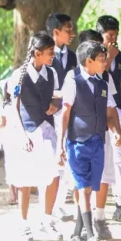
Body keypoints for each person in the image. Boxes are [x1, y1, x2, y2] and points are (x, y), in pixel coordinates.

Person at [58, 40, 121, 241]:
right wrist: (61, 144)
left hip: (98, 142)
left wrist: (116, 133)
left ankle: (76, 234)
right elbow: (65, 114)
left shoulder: (103, 84)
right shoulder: (73, 81)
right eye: (101, 59)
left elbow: (110, 114)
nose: (105, 63)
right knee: (83, 189)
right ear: (89, 61)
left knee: (88, 189)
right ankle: (90, 236)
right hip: (78, 142)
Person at [6, 32, 63, 241]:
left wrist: (55, 105)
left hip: (47, 130)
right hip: (27, 131)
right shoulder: (19, 75)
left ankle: (47, 220)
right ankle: (24, 223)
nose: (53, 56)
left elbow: (56, 97)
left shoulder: (51, 73)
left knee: (54, 175)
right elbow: (14, 108)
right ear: (37, 53)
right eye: (50, 52)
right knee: (25, 179)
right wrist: (22, 136)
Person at [96, 15, 121, 224]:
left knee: (119, 157)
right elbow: (101, 74)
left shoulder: (119, 56)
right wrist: (108, 56)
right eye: (108, 35)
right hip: (96, 112)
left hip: (116, 111)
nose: (112, 39)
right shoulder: (93, 54)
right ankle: (95, 206)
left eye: (115, 35)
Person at [46, 12, 77, 222]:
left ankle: (60, 204)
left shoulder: (73, 56)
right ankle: (51, 206)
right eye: (68, 30)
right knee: (55, 158)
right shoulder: (46, 55)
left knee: (67, 157)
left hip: (70, 112)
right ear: (56, 32)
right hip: (51, 114)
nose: (72, 33)